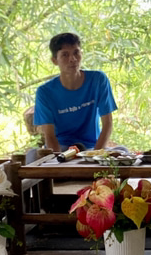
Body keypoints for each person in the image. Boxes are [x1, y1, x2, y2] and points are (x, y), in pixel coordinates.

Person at [29, 33, 118, 163]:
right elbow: (49, 135)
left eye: (76, 52)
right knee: (31, 156)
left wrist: (95, 157)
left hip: (92, 147)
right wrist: (58, 163)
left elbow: (107, 123)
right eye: (65, 55)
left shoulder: (98, 80)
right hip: (62, 150)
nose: (73, 59)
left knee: (122, 153)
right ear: (54, 60)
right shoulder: (45, 92)